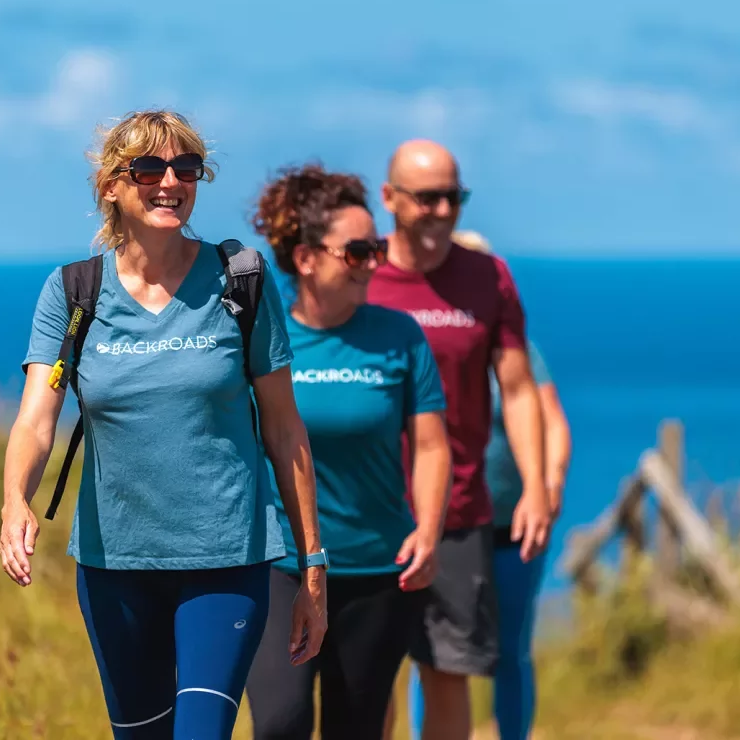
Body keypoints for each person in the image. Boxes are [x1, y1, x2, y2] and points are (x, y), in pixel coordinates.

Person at [0, 109, 328, 740]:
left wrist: (312, 563)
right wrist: (16, 501)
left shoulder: (242, 280)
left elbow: (286, 432)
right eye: (148, 166)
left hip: (225, 561)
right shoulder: (74, 292)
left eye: (186, 167)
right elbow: (37, 419)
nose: (169, 181)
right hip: (114, 565)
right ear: (112, 186)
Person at [242, 163, 453, 740]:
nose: (374, 263)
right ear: (307, 258)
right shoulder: (263, 333)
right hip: (280, 567)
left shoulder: (400, 336)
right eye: (357, 251)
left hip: (377, 573)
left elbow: (432, 445)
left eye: (377, 248)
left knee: (355, 729)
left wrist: (429, 529)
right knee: (280, 725)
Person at [368, 140, 551, 740]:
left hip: (459, 512)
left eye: (453, 196)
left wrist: (535, 485)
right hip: (369, 514)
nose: (443, 211)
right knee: (368, 680)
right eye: (427, 198)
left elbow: (519, 389)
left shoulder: (488, 278)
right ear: (390, 198)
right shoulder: (360, 275)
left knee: (449, 674)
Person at [406, 229, 573, 740]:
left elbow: (553, 424)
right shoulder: (421, 339)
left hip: (508, 523)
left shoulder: (517, 348)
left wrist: (544, 489)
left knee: (510, 648)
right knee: (432, 654)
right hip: (442, 521)